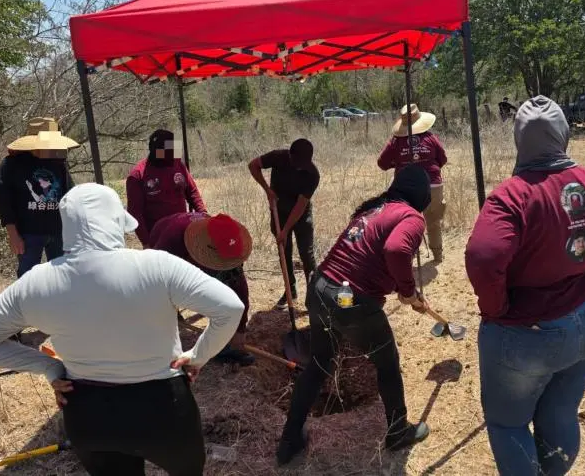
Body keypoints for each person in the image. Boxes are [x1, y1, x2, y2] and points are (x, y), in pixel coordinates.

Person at [0, 183, 244, 476]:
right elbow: (230, 308)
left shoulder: (37, 281)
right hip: (164, 407)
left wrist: (48, 366)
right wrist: (198, 356)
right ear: (115, 221)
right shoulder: (157, 265)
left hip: (87, 411)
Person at [464, 96, 585, 476]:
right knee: (560, 409)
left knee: (508, 424)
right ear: (564, 135)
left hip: (529, 332)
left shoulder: (512, 196)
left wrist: (495, 309)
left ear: (519, 141)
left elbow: (484, 257)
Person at [276, 164, 433, 465]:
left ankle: (289, 440)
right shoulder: (411, 217)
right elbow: (398, 250)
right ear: (422, 194)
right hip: (348, 300)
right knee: (387, 363)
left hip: (320, 288)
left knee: (318, 364)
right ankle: (398, 431)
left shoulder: (375, 209)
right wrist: (408, 291)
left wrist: (400, 288)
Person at [149, 211, 255, 366]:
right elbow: (156, 285)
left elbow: (239, 291)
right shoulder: (171, 243)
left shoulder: (227, 243)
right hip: (163, 235)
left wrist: (239, 331)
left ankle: (222, 347)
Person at [0, 117, 77, 278]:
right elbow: (4, 201)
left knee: (62, 276)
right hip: (28, 233)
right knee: (28, 278)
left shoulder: (57, 162)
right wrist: (12, 234)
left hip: (58, 231)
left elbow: (70, 195)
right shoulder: (12, 164)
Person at [248, 139, 319, 310]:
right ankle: (290, 290)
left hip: (300, 216)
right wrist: (267, 189)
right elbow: (253, 165)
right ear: (290, 155)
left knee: (307, 254)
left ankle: (314, 294)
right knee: (284, 252)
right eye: (298, 163)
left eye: (304, 163)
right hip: (278, 212)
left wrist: (286, 230)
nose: (301, 167)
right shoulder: (278, 157)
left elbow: (300, 205)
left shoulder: (312, 174)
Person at [377, 103, 448, 262]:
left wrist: (398, 163)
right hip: (433, 183)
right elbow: (442, 159)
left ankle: (408, 256)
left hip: (405, 188)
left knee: (407, 222)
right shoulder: (430, 137)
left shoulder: (395, 141)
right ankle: (438, 255)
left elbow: (382, 163)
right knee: (433, 221)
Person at [127, 129, 207, 247]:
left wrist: (204, 216)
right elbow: (135, 213)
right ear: (157, 153)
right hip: (158, 238)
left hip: (183, 231)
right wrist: (147, 242)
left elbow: (192, 191)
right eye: (167, 154)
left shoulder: (177, 163)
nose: (172, 158)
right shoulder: (137, 175)